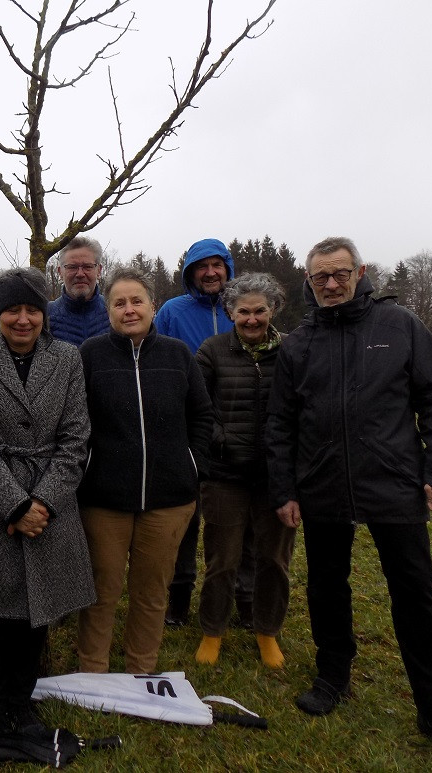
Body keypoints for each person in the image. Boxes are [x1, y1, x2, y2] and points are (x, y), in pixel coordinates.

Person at [265, 237, 432, 771]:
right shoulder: (297, 344)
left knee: (416, 594)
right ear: (309, 282)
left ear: (361, 272)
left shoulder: (400, 327)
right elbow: (280, 424)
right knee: (326, 585)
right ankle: (332, 676)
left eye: (341, 274)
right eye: (321, 278)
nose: (332, 284)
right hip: (321, 487)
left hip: (393, 483)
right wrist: (284, 489)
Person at [0, 267, 96, 734]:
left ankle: (22, 699)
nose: (23, 319)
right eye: (13, 310)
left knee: (37, 609)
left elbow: (76, 439)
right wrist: (15, 505)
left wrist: (43, 503)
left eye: (32, 309)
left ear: (44, 313)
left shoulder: (68, 359)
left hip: (52, 496)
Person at [75, 266, 212, 675]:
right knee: (102, 589)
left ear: (153, 305)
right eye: (120, 303)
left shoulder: (177, 354)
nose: (129, 310)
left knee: (152, 590)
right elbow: (75, 422)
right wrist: (85, 471)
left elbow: (202, 415)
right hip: (104, 499)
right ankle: (92, 668)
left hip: (169, 499)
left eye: (137, 301)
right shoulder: (90, 355)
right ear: (108, 309)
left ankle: (141, 667)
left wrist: (192, 465)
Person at [193, 273, 295, 669]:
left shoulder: (290, 350)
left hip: (277, 476)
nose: (251, 319)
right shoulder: (212, 350)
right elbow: (198, 407)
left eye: (260, 311)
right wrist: (221, 440)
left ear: (273, 310)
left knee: (274, 560)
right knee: (223, 560)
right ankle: (212, 631)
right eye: (243, 312)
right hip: (224, 475)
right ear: (230, 312)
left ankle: (267, 632)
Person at [153, 237, 244, 628]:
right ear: (190, 273)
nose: (210, 273)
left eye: (216, 265)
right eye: (200, 267)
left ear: (227, 269)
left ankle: (243, 601)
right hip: (186, 429)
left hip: (238, 429)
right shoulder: (173, 311)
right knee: (184, 521)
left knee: (234, 525)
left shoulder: (241, 309)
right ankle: (178, 601)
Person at [47, 236, 110, 346]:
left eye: (87, 266)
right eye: (72, 267)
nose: (80, 274)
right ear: (60, 272)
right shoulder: (46, 316)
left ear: (99, 270)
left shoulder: (114, 312)